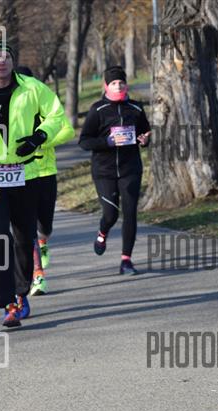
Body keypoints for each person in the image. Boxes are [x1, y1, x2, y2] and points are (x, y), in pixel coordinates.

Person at [0, 42, 67, 326]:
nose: (1, 62)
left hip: (26, 174)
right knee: (0, 237)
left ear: (12, 60)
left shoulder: (32, 88)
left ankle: (22, 293)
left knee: (23, 238)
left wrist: (38, 137)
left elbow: (56, 114)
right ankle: (8, 302)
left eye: (6, 56)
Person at [78, 66, 150, 275]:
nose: (118, 86)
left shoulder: (136, 108)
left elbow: (145, 131)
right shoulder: (98, 109)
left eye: (121, 82)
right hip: (104, 171)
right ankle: (102, 233)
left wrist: (145, 140)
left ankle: (126, 260)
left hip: (130, 168)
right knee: (110, 214)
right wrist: (106, 142)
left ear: (126, 85)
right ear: (106, 86)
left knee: (130, 213)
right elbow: (84, 141)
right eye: (113, 83)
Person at [13, 66, 76, 296]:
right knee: (26, 227)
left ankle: (43, 241)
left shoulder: (45, 108)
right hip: (22, 175)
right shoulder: (14, 113)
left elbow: (68, 130)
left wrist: (41, 141)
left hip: (46, 172)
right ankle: (38, 275)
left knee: (45, 225)